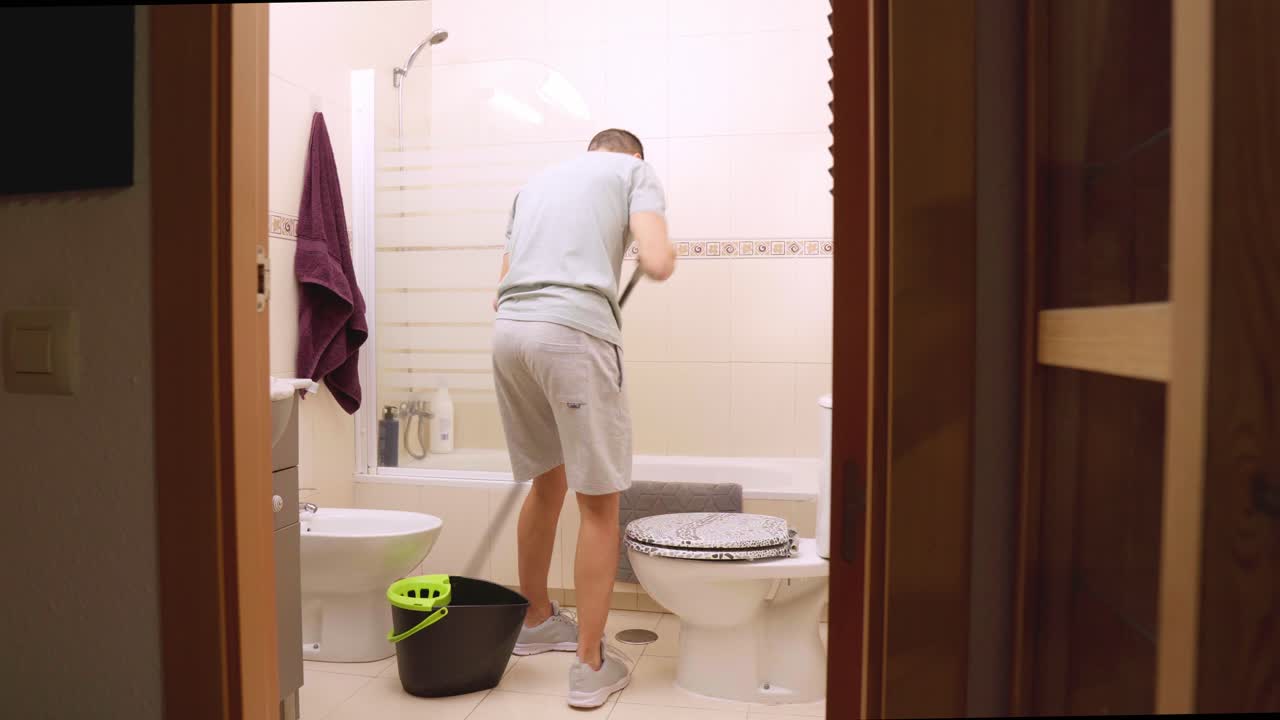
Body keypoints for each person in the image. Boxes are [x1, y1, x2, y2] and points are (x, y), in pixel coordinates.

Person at [491, 128, 675, 708]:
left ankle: (537, 619)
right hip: (571, 334)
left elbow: (500, 287)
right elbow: (660, 260)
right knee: (599, 502)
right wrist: (656, 250)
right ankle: (590, 664)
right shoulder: (633, 174)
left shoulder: (534, 185)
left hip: (511, 335)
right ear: (633, 157)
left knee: (548, 482)